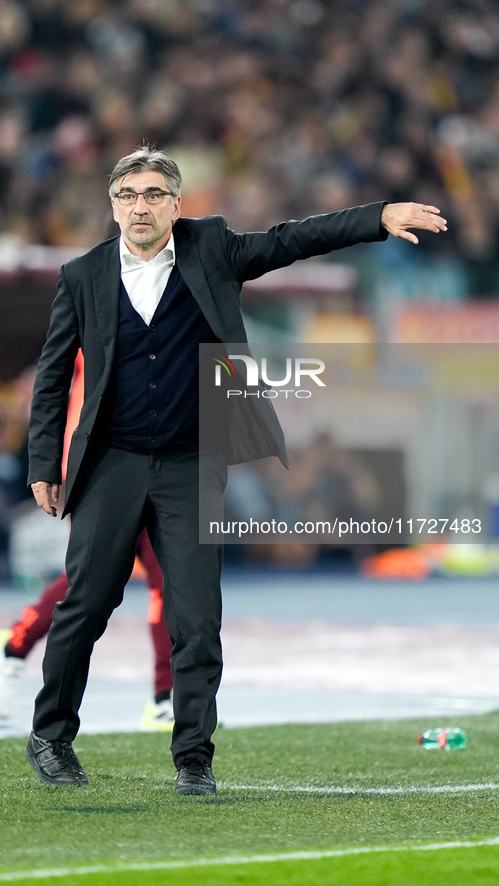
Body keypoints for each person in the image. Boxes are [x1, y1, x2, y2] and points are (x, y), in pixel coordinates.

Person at [25, 145, 447, 795]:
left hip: (192, 464)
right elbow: (52, 379)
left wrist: (375, 216)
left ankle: (193, 758)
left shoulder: (211, 248)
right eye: (128, 195)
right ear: (112, 206)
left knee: (196, 615)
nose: (140, 205)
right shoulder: (80, 277)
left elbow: (292, 239)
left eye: (153, 194)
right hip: (110, 462)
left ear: (175, 204)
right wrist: (41, 461)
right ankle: (51, 738)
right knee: (86, 604)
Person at [0, 528, 174, 732]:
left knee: (172, 583)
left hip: (180, 498)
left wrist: (211, 521)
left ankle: (166, 694)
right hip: (117, 496)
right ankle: (16, 643)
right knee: (88, 576)